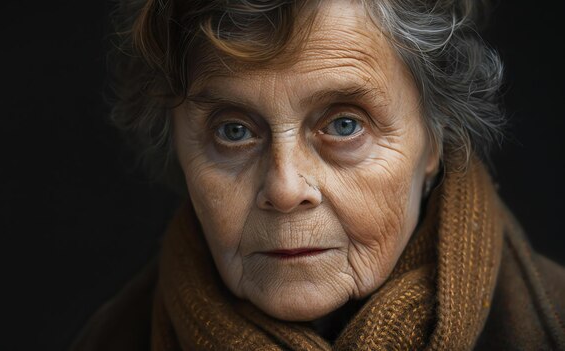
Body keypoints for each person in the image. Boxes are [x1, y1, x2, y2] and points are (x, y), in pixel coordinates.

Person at [71, 0, 565, 349]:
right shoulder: (111, 338)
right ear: (176, 144)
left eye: (345, 125)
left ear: (434, 137)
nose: (285, 189)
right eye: (234, 131)